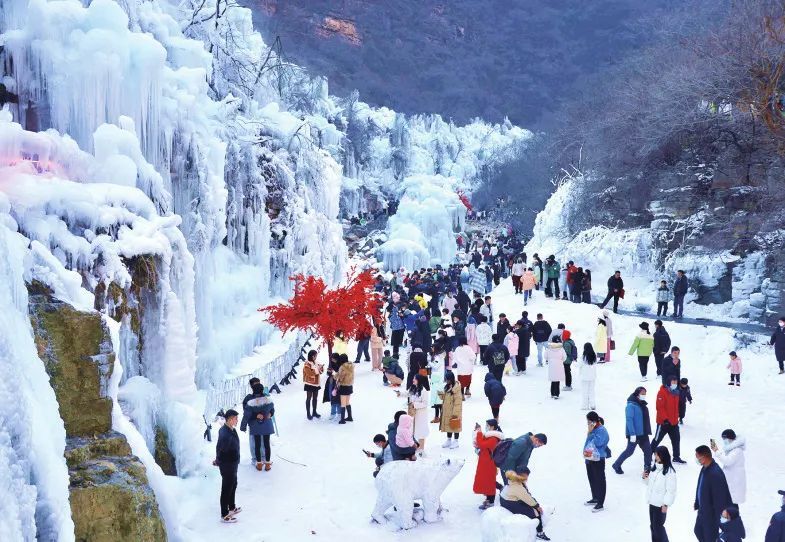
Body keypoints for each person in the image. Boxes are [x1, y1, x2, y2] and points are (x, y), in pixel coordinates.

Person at [694, 445, 733, 542]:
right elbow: (700, 485)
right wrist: (697, 502)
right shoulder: (704, 468)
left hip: (711, 515)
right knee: (698, 531)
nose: (696, 459)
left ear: (705, 457)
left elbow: (721, 498)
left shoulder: (716, 474)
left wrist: (718, 518)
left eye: (698, 457)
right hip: (703, 510)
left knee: (709, 538)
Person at [500, 467, 552, 540]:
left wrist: (534, 502)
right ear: (521, 475)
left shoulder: (515, 480)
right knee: (535, 512)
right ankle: (539, 533)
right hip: (508, 502)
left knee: (530, 505)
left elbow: (526, 494)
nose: (527, 477)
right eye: (526, 475)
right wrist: (537, 506)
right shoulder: (517, 485)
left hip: (507, 498)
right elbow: (526, 497)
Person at [612, 386, 652, 476]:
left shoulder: (642, 404)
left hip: (643, 433)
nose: (644, 395)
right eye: (642, 393)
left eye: (645, 393)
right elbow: (629, 420)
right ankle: (616, 465)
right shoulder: (631, 405)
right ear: (637, 393)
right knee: (629, 451)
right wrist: (632, 434)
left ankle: (647, 467)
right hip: (634, 434)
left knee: (648, 451)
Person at [645, 445, 677, 542]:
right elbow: (649, 484)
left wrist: (666, 504)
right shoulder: (654, 468)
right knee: (653, 526)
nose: (655, 457)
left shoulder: (670, 472)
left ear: (663, 456)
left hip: (661, 505)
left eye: (657, 455)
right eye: (655, 454)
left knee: (658, 527)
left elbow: (671, 490)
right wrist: (644, 477)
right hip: (652, 502)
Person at [241, 383, 275, 471]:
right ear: (262, 390)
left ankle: (259, 464)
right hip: (267, 424)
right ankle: (267, 464)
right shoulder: (268, 400)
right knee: (267, 444)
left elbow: (246, 415)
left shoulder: (251, 403)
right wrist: (270, 414)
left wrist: (243, 426)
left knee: (257, 444)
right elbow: (272, 410)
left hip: (255, 425)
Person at [215, 409, 241, 523]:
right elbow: (221, 449)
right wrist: (218, 460)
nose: (237, 420)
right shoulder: (225, 433)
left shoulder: (229, 429)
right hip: (228, 465)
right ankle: (224, 514)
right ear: (230, 419)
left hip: (232, 464)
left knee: (233, 484)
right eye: (235, 418)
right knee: (226, 488)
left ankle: (231, 507)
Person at [652, 376, 686, 464]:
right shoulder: (662, 392)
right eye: (673, 382)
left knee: (676, 439)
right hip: (663, 423)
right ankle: (649, 452)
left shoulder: (676, 392)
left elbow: (676, 407)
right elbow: (660, 407)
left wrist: (678, 416)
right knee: (657, 439)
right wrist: (665, 419)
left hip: (674, 422)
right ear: (668, 382)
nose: (674, 384)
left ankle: (676, 457)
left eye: (675, 382)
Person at [474, 419, 505, 510]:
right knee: (486, 481)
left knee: (489, 482)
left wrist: (479, 433)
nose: (486, 427)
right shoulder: (491, 436)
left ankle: (491, 502)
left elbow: (482, 444)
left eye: (487, 425)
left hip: (489, 463)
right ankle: (488, 499)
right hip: (485, 462)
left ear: (492, 427)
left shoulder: (494, 438)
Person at [710, 429, 746, 506]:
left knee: (732, 505)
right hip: (731, 481)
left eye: (725, 439)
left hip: (734, 482)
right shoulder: (732, 449)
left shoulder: (737, 450)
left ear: (730, 438)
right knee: (729, 503)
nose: (724, 441)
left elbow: (727, 461)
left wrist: (716, 451)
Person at [583, 411, 610, 512]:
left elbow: (598, 443)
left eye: (589, 421)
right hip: (589, 457)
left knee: (600, 480)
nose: (588, 423)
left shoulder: (602, 430)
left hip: (598, 458)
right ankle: (595, 497)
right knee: (592, 478)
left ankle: (600, 503)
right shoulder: (593, 429)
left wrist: (590, 433)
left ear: (594, 421)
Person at [400, 374, 431, 456]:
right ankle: (415, 448)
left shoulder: (424, 391)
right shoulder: (413, 388)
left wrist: (414, 404)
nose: (413, 379)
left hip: (421, 415)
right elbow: (408, 394)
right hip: (412, 414)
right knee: (412, 431)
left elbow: (425, 403)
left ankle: (421, 450)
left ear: (419, 380)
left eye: (415, 378)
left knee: (421, 432)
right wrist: (400, 393)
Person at [440, 371, 463, 449]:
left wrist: (455, 413)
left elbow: (458, 402)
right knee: (448, 425)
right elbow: (445, 398)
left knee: (455, 425)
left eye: (447, 379)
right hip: (447, 410)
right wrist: (441, 395)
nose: (446, 381)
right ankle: (449, 440)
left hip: (454, 411)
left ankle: (456, 441)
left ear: (451, 379)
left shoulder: (456, 388)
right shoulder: (447, 387)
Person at [242, 377, 262, 464]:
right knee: (253, 442)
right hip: (253, 424)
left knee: (263, 441)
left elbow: (270, 408)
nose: (258, 385)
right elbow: (246, 413)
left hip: (263, 423)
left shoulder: (264, 395)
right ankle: (255, 459)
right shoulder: (248, 398)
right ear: (251, 386)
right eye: (255, 384)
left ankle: (264, 458)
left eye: (259, 383)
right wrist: (255, 415)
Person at [303, 350, 323, 420]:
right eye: (315, 355)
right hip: (309, 383)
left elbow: (320, 372)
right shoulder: (307, 364)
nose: (316, 357)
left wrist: (321, 368)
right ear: (312, 356)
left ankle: (314, 412)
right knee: (308, 398)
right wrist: (317, 370)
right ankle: (308, 413)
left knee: (315, 398)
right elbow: (309, 373)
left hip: (316, 384)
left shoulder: (316, 362)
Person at [336, 354, 355, 424]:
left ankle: (342, 420)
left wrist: (335, 376)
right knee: (347, 402)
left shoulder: (342, 367)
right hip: (350, 386)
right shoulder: (351, 366)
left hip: (343, 386)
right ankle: (350, 417)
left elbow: (340, 377)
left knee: (343, 403)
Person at [580, 343, 598, 410]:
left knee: (585, 391)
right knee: (592, 391)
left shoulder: (583, 357)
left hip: (584, 377)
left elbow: (579, 365)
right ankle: (593, 405)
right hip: (592, 376)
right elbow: (595, 363)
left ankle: (585, 406)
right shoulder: (594, 356)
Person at [430, 357, 445, 423]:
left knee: (436, 409)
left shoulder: (434, 386)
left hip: (436, 401)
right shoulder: (441, 384)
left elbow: (433, 395)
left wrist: (432, 402)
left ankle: (436, 418)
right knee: (441, 409)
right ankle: (442, 418)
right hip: (441, 401)